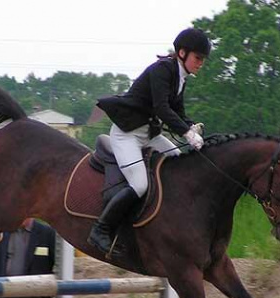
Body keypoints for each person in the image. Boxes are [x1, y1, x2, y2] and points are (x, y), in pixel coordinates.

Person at [88, 27, 211, 255]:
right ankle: (101, 230)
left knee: (180, 160)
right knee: (139, 184)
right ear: (182, 53)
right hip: (127, 135)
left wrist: (192, 126)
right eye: (198, 58)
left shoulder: (180, 77)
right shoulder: (163, 70)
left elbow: (178, 111)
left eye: (203, 59)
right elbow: (161, 108)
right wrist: (186, 133)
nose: (201, 63)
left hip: (149, 136)